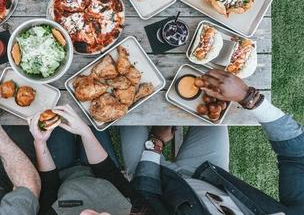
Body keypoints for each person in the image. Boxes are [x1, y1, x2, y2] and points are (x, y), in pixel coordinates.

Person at [121, 69, 304, 215]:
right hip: (207, 174)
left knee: (124, 111)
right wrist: (247, 97)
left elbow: (146, 197)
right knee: (212, 101)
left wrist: (156, 143)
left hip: (156, 183)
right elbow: (297, 157)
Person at [29, 104, 154, 215]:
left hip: (60, 173)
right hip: (98, 171)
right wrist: (85, 132)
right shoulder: (137, 210)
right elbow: (109, 173)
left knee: (53, 110)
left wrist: (40, 143)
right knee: (93, 112)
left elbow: (49, 186)